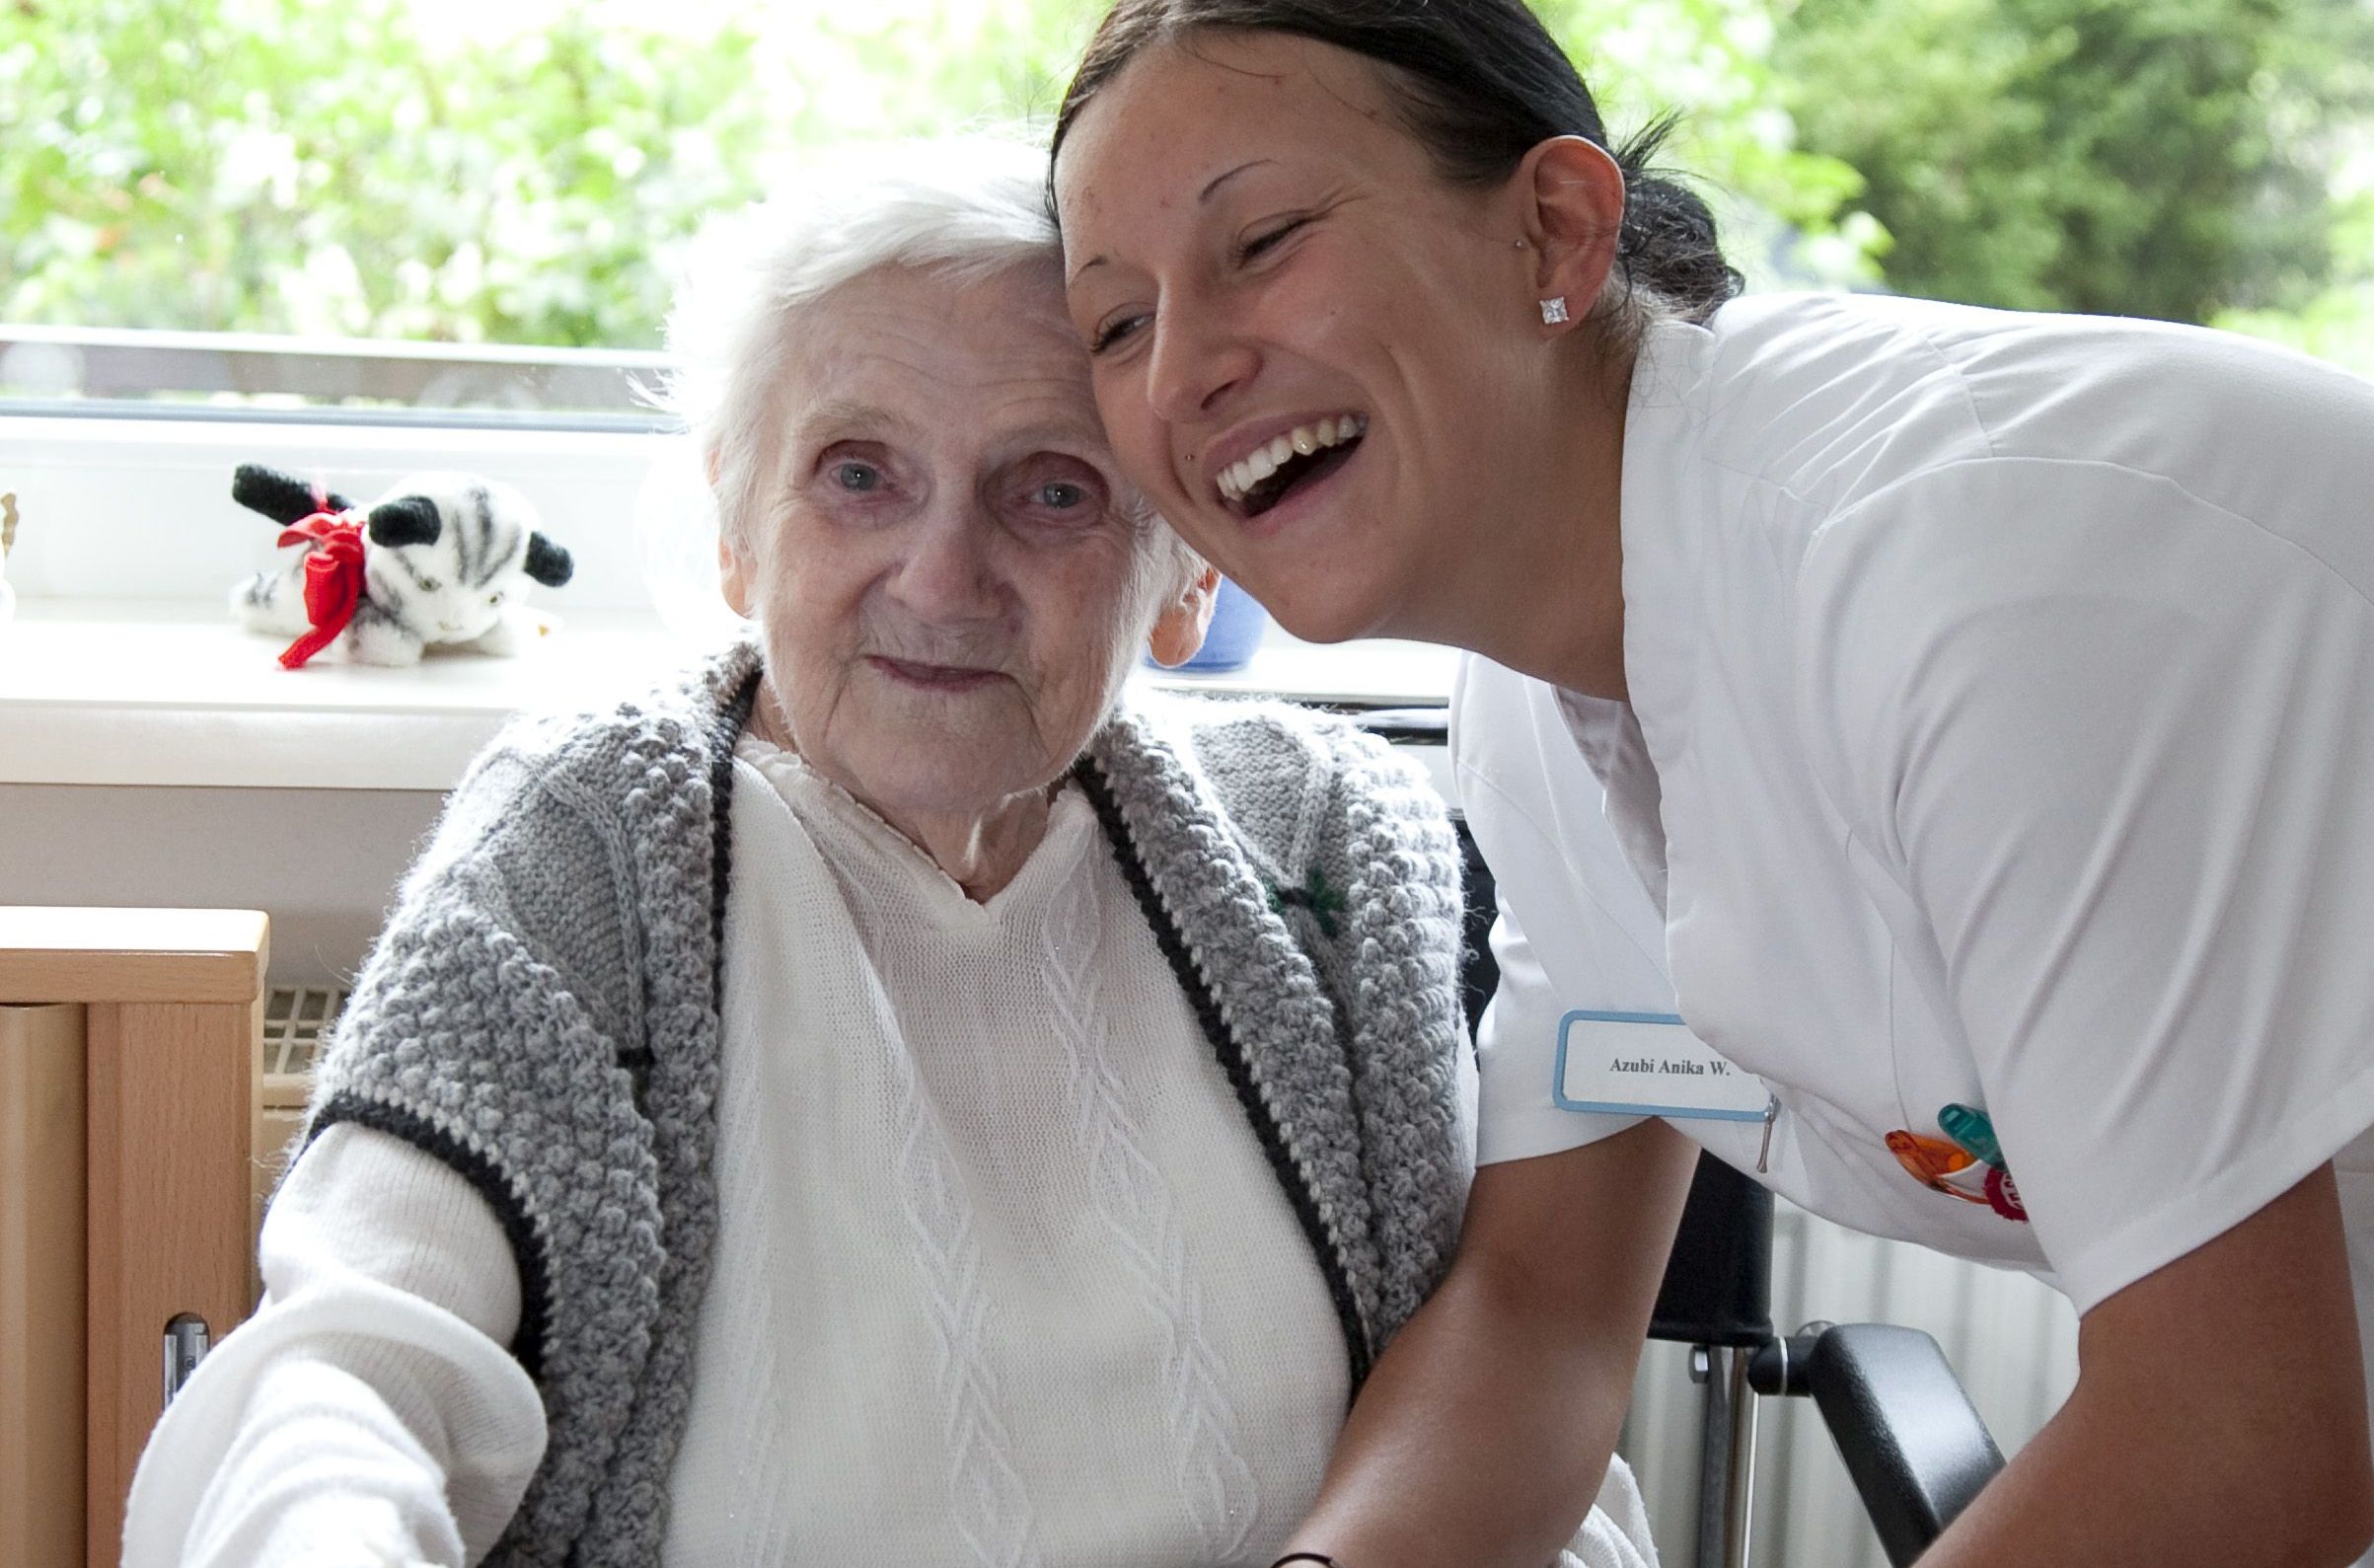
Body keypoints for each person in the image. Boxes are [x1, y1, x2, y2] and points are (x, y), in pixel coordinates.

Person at [1048, 0, 2374, 1568]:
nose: (1185, 368)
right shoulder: (1543, 712)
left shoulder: (1985, 576)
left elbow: (2235, 1451)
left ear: (1554, 225)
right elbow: (1544, 1313)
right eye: (1114, 327)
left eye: (1261, 241)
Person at [121, 141, 1664, 1568]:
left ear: (1185, 575)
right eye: (858, 473)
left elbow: (1531, 1447)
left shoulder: (1322, 844)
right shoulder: (591, 847)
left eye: (1052, 490)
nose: (943, 576)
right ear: (738, 530)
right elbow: (346, 1369)